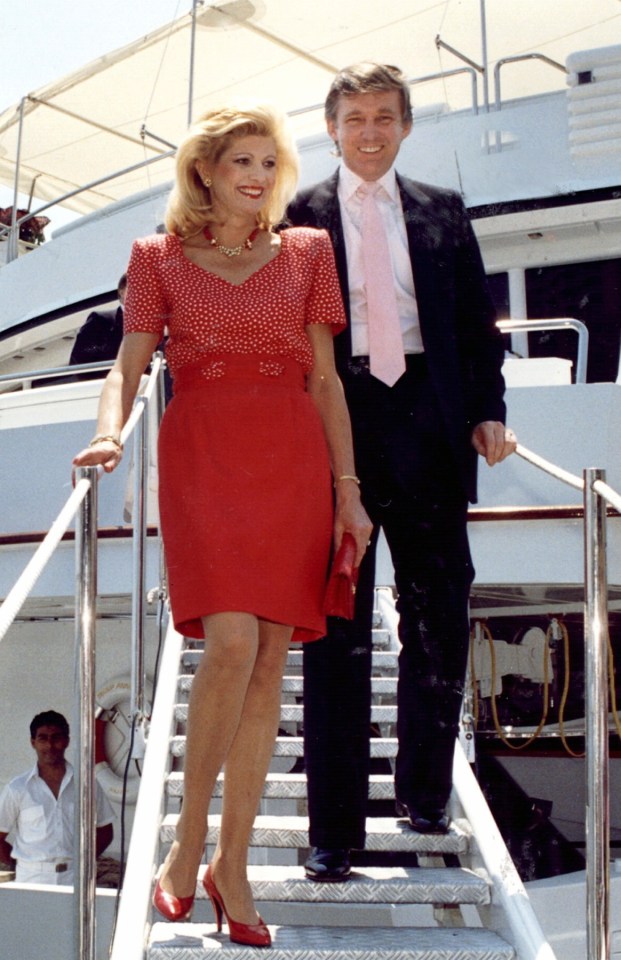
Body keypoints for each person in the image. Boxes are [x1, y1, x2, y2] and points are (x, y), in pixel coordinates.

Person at [72, 103, 371, 945]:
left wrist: (346, 489)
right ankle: (186, 836)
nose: (257, 176)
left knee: (271, 657)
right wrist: (107, 431)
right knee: (231, 642)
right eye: (240, 161)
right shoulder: (156, 258)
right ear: (204, 171)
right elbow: (128, 365)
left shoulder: (309, 252)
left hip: (293, 460)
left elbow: (324, 380)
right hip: (204, 451)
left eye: (268, 163)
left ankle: (229, 864)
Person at [286, 62, 517, 882]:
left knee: (437, 612)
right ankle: (333, 831)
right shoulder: (299, 217)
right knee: (336, 633)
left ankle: (421, 791)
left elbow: (473, 323)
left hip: (429, 421)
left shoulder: (442, 211)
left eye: (385, 116)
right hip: (337, 428)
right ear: (333, 127)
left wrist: (489, 410)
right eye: (355, 117)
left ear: (405, 125)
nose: (371, 130)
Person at [0, 710, 114, 885]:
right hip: (31, 878)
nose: (50, 745)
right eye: (42, 738)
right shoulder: (18, 788)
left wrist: (83, 861)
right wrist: (18, 862)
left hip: (74, 878)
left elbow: (105, 831)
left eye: (56, 738)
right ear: (33, 743)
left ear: (66, 741)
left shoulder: (86, 784)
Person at [68, 274, 127, 377]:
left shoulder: (151, 322)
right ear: (122, 293)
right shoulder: (101, 320)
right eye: (137, 287)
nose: (142, 293)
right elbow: (79, 358)